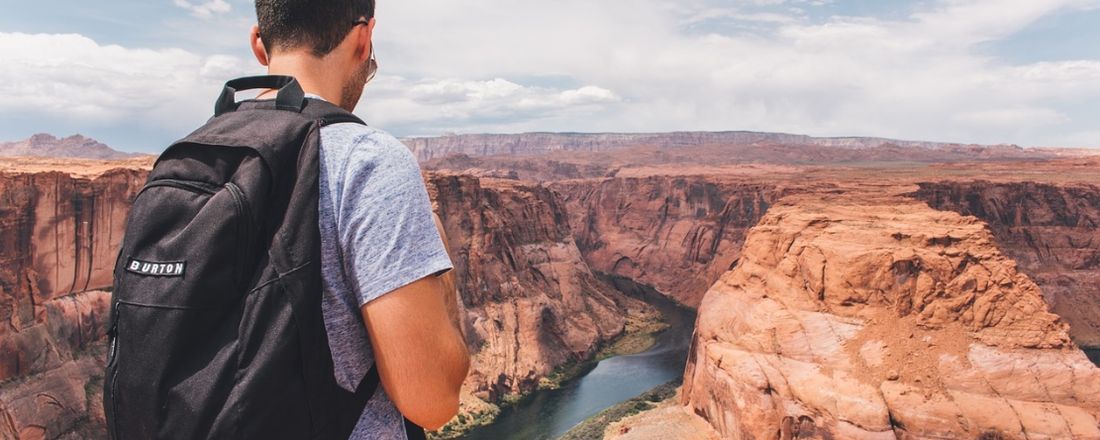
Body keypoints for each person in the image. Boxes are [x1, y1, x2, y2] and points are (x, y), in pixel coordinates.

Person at [249, 0, 470, 437]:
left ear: (259, 44)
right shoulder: (367, 160)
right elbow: (433, 400)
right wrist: (439, 265)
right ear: (363, 38)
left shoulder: (185, 163)